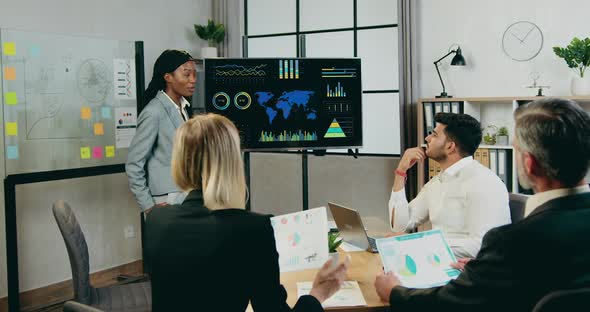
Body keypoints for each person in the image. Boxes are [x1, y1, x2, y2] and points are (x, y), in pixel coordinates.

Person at [375, 98, 590, 311]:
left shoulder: (508, 242)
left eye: (515, 151)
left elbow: (448, 302)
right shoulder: (439, 183)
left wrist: (395, 293)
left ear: (529, 163)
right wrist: (485, 267)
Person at [145, 114, 349, 312]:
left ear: (180, 161)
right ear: (232, 162)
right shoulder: (252, 229)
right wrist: (317, 295)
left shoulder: (156, 220)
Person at [389, 113, 510, 258]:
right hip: (437, 261)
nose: (427, 139)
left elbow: (482, 245)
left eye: (434, 135)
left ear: (450, 146)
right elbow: (399, 226)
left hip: (468, 272)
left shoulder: (484, 182)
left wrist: (420, 244)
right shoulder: (437, 182)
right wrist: (401, 172)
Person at [126, 49, 196, 213]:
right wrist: (148, 206)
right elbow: (133, 164)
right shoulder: (153, 112)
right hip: (166, 198)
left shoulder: (184, 108)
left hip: (187, 193)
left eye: (194, 74)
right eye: (186, 74)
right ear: (168, 77)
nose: (192, 80)